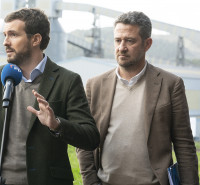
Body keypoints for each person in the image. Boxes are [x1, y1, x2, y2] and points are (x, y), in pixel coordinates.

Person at [0, 8, 100, 185]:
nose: (5, 42)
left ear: (36, 39)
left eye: (13, 35)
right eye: (4, 35)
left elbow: (90, 137)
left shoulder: (67, 80)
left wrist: (56, 124)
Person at [76, 11, 199, 185]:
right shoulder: (95, 85)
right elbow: (84, 142)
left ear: (147, 44)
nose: (122, 47)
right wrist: (91, 182)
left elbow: (184, 145)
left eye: (130, 41)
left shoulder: (171, 84)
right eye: (118, 40)